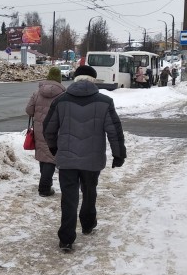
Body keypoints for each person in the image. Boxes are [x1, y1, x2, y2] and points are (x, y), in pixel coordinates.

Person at [43, 65, 126, 253]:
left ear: (75, 79)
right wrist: (118, 153)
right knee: (90, 191)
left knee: (69, 198)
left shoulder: (60, 101)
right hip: (92, 160)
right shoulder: (105, 102)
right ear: (93, 80)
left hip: (67, 160)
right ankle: (88, 224)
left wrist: (55, 148)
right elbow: (114, 130)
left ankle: (66, 239)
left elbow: (49, 129)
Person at [25, 66, 65, 197]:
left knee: (44, 155)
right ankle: (44, 188)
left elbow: (29, 111)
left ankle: (45, 184)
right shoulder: (64, 94)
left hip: (39, 129)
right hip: (55, 131)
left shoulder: (37, 93)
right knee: (50, 157)